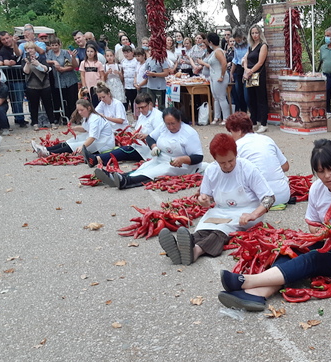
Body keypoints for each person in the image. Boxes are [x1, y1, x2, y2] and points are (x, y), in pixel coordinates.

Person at [218, 138, 331, 312]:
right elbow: (312, 224)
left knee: (314, 259)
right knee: (290, 250)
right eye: (321, 171)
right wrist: (318, 231)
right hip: (329, 243)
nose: (327, 176)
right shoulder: (317, 188)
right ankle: (257, 294)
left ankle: (247, 281)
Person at [159, 132, 272, 266]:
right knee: (203, 230)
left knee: (220, 232)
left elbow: (269, 197)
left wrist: (254, 214)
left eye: (231, 160)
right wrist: (203, 200)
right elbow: (207, 197)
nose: (228, 165)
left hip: (245, 213)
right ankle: (181, 248)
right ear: (215, 159)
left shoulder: (247, 168)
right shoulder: (211, 170)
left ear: (236, 154)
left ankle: (195, 251)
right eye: (222, 163)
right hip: (220, 211)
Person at [94, 106, 203, 190]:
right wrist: (154, 147)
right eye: (167, 124)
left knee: (155, 172)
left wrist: (182, 159)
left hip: (181, 165)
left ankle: (125, 182)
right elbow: (150, 138)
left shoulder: (189, 133)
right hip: (162, 158)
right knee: (145, 167)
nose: (170, 127)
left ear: (180, 120)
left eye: (173, 124)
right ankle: (117, 177)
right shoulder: (163, 127)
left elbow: (198, 157)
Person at [226, 111, 290, 204]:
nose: (232, 136)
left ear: (239, 131)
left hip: (259, 198)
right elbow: (285, 166)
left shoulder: (237, 145)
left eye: (232, 133)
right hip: (283, 194)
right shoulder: (267, 139)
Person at [85, 93, 164, 167]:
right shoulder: (143, 115)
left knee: (125, 151)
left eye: (143, 107)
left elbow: (160, 136)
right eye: (138, 108)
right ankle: (96, 157)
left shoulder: (158, 116)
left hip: (148, 148)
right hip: (139, 143)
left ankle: (97, 159)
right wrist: (132, 134)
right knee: (123, 149)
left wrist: (145, 136)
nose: (140, 110)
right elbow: (137, 129)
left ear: (150, 104)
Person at [32, 99, 114, 157]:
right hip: (99, 139)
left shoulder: (94, 119)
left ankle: (48, 153)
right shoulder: (88, 116)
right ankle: (46, 149)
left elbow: (93, 137)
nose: (79, 112)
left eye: (82, 110)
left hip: (103, 143)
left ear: (89, 108)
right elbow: (86, 129)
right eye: (78, 110)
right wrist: (75, 128)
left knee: (75, 145)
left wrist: (82, 146)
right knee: (72, 140)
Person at [45, 35, 79, 125]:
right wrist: (54, 62)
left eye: (56, 45)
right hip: (58, 81)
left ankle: (74, 118)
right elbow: (47, 61)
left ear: (59, 45)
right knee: (61, 100)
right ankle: (64, 117)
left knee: (72, 100)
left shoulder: (65, 53)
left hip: (69, 79)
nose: (54, 47)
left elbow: (72, 65)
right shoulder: (50, 54)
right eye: (52, 45)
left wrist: (63, 69)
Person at [198, 32, 231, 125]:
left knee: (221, 97)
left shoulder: (218, 52)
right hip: (213, 76)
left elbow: (224, 63)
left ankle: (226, 117)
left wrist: (222, 76)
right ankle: (217, 116)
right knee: (216, 98)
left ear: (211, 42)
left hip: (219, 76)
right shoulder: (213, 52)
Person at [22, 41, 54, 130]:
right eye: (28, 49)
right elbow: (26, 72)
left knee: (48, 104)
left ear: (35, 49)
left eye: (31, 48)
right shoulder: (24, 60)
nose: (30, 50)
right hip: (32, 85)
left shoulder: (42, 58)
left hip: (44, 84)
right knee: (33, 105)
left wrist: (38, 63)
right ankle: (35, 123)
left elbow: (47, 69)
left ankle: (51, 121)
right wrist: (28, 63)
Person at [0, 31, 27, 128]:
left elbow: (19, 54)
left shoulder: (20, 45)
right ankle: (19, 119)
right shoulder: (3, 50)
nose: (6, 41)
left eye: (7, 38)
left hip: (26, 75)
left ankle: (30, 117)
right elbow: (5, 61)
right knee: (17, 100)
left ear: (10, 37)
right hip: (14, 79)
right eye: (3, 39)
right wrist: (9, 63)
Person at [244, 24, 269, 133]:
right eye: (253, 33)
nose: (255, 35)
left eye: (256, 33)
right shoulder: (250, 46)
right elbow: (245, 58)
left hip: (258, 74)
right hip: (249, 75)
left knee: (261, 99)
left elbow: (260, 62)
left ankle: (263, 123)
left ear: (260, 34)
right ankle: (253, 121)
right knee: (251, 99)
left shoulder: (263, 46)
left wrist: (250, 71)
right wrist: (246, 69)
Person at [79, 43, 105, 107]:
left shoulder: (98, 63)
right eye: (88, 51)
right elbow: (82, 75)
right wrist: (84, 86)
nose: (89, 53)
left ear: (95, 53)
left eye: (91, 51)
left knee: (97, 102)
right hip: (87, 86)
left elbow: (102, 75)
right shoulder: (83, 63)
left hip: (96, 85)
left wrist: (101, 86)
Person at [230, 27, 249, 113]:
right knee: (239, 92)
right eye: (236, 40)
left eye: (239, 39)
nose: (238, 41)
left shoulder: (249, 44)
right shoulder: (236, 46)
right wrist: (231, 72)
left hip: (247, 68)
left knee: (246, 94)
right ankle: (243, 112)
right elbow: (235, 59)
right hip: (238, 69)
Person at [120, 45, 140, 115]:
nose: (126, 54)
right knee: (130, 99)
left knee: (136, 100)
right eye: (125, 53)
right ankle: (132, 113)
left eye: (128, 52)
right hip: (127, 84)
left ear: (132, 52)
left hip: (134, 83)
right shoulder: (123, 61)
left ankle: (137, 114)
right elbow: (122, 71)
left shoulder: (136, 61)